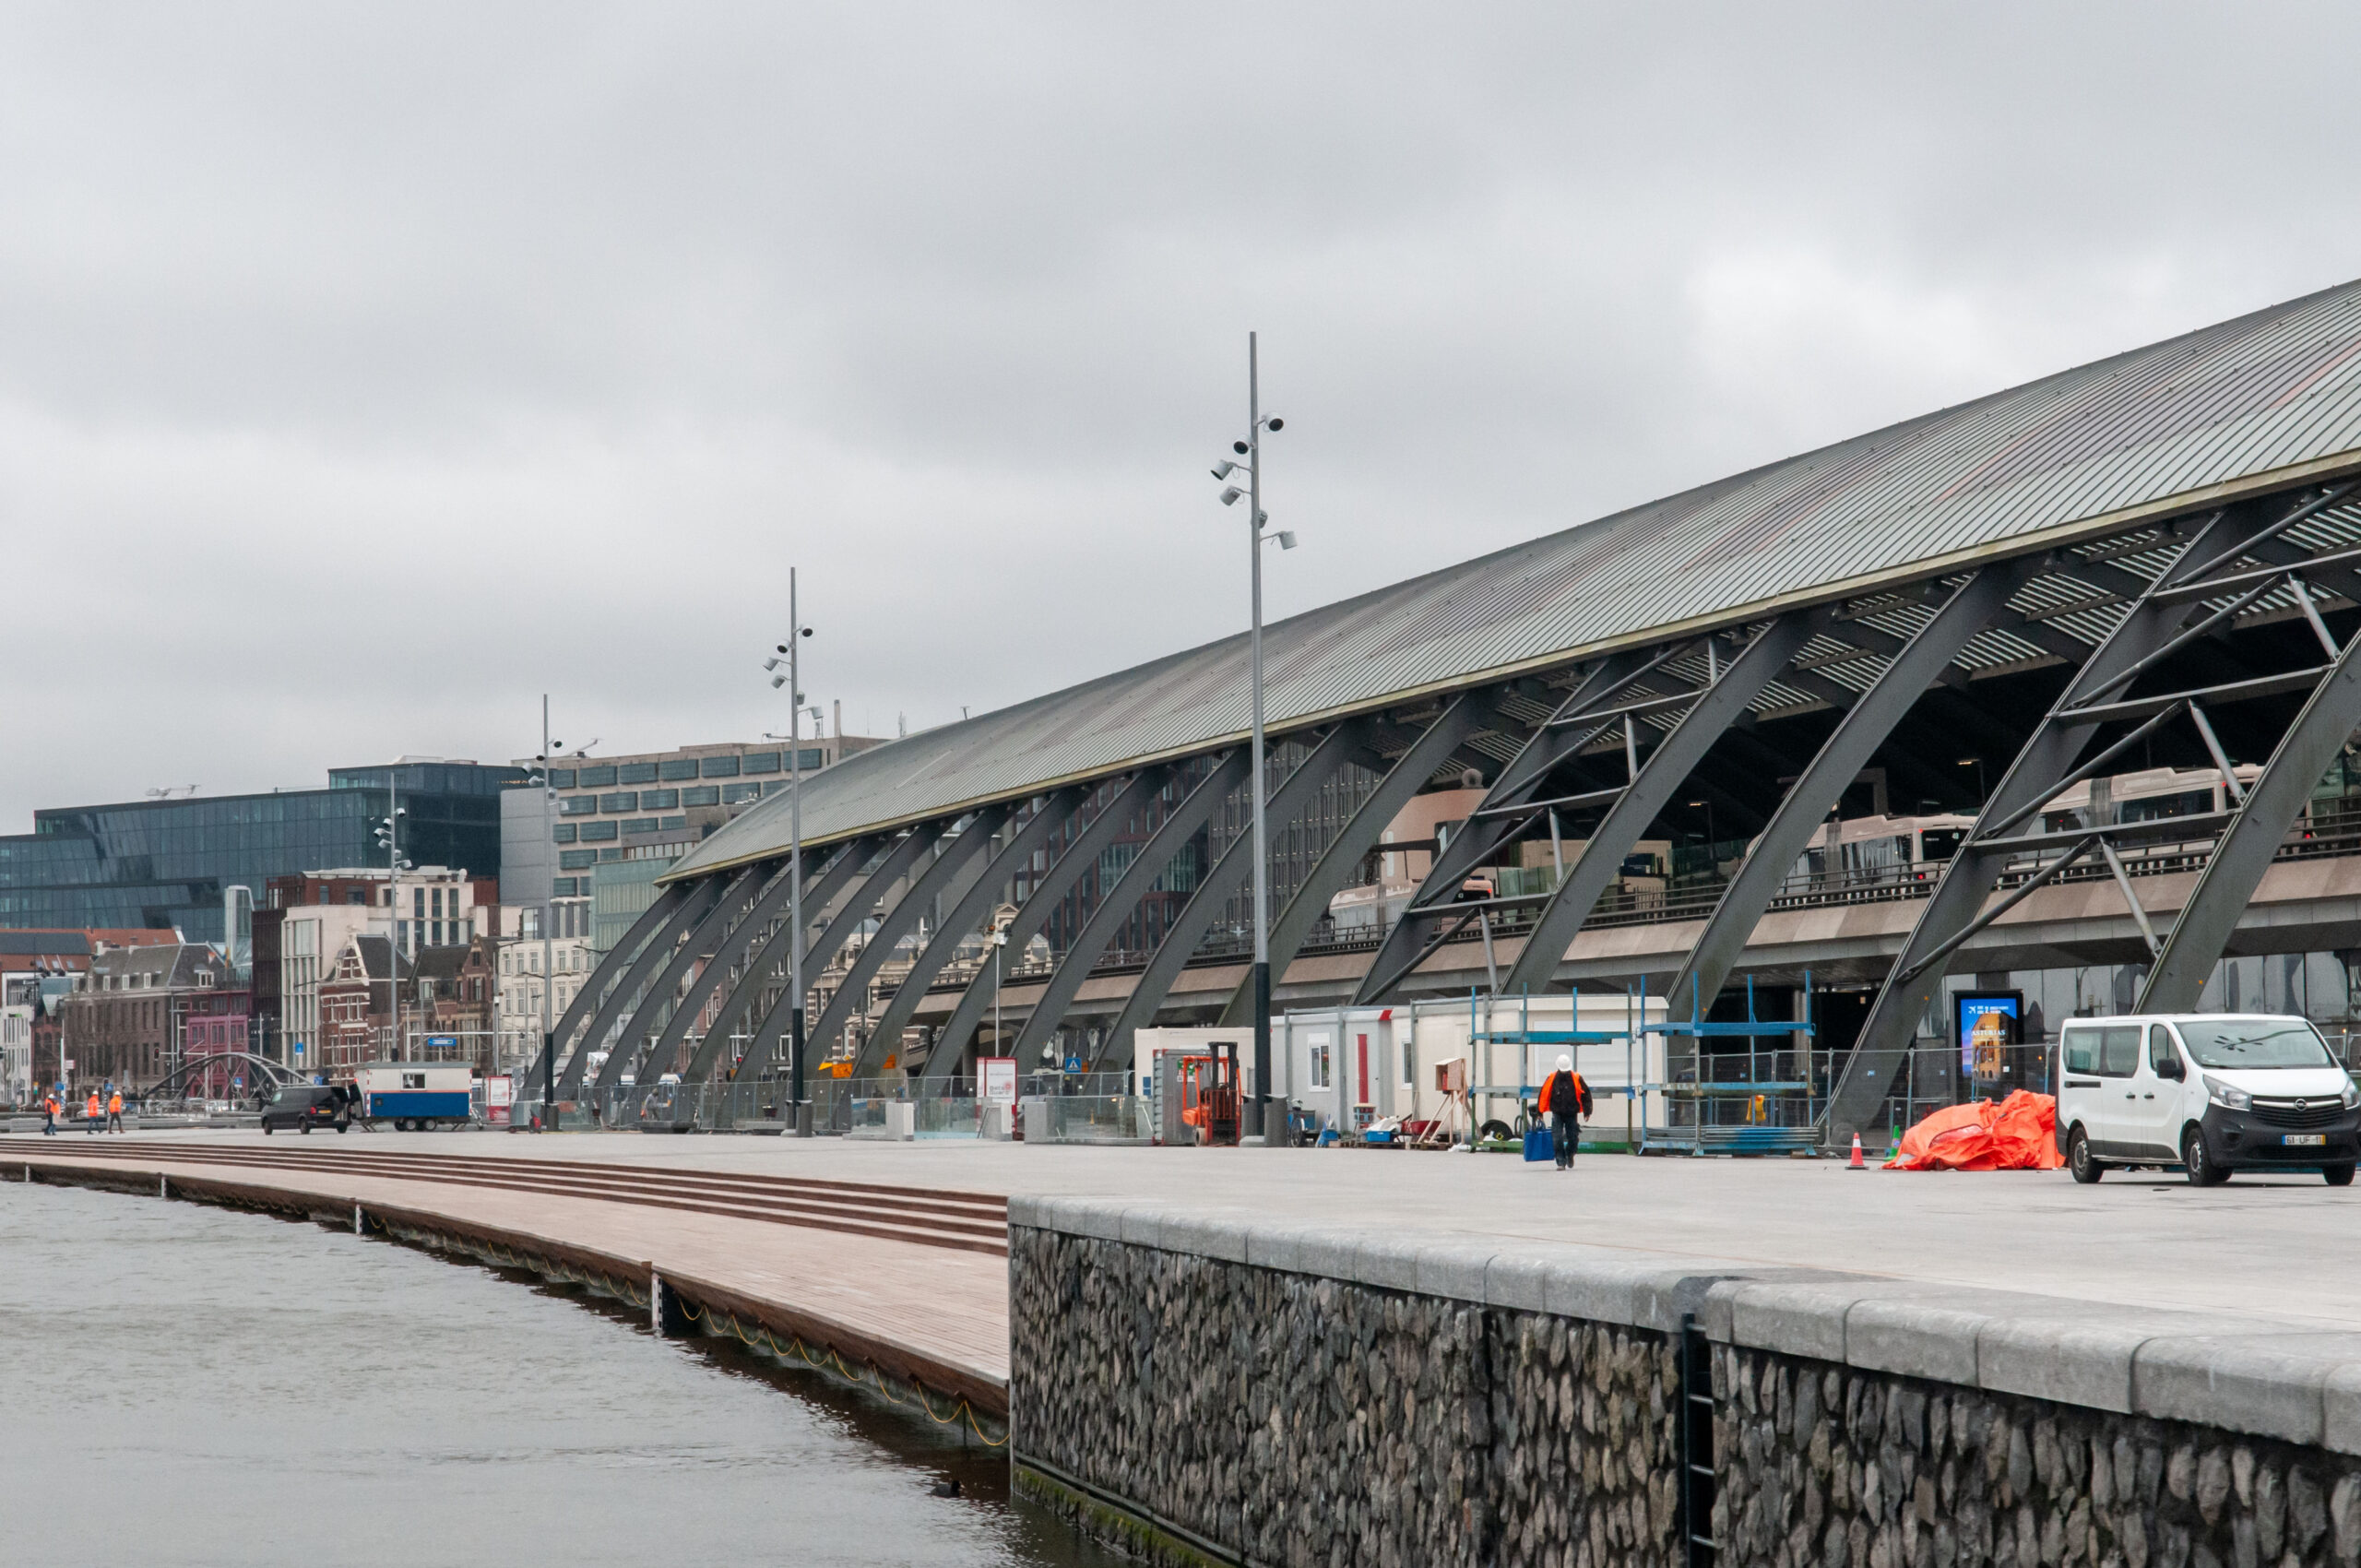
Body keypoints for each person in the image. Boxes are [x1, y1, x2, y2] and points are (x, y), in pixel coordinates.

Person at [1536, 1053, 1590, 1170]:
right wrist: (1539, 1112)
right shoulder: (1552, 1078)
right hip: (1557, 1113)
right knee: (1557, 1138)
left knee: (1573, 1138)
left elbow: (1586, 1095)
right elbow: (1544, 1095)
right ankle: (1561, 1161)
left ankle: (1570, 1154)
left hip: (1571, 1113)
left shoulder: (1576, 1078)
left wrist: (1587, 1111)